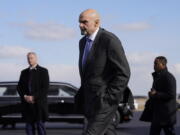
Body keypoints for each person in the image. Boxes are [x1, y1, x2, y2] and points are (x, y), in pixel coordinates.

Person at [75, 9, 130, 135]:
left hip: (104, 102)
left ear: (96, 23)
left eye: (84, 22)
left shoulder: (109, 40)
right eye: (79, 22)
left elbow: (124, 72)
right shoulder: (82, 42)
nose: (80, 25)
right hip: (90, 102)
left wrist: (109, 98)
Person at [17, 52, 49, 135]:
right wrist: (25, 96)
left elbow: (45, 88)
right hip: (27, 105)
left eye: (31, 58)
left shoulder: (43, 71)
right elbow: (19, 87)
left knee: (40, 128)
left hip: (39, 105)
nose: (29, 60)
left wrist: (33, 97)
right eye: (28, 58)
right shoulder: (23, 72)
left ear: (36, 59)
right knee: (29, 129)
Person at [148, 56, 176, 135]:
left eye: (156, 63)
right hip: (157, 115)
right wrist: (151, 94)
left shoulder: (168, 77)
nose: (154, 65)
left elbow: (171, 94)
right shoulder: (157, 77)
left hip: (166, 116)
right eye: (154, 63)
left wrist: (156, 94)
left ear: (163, 65)